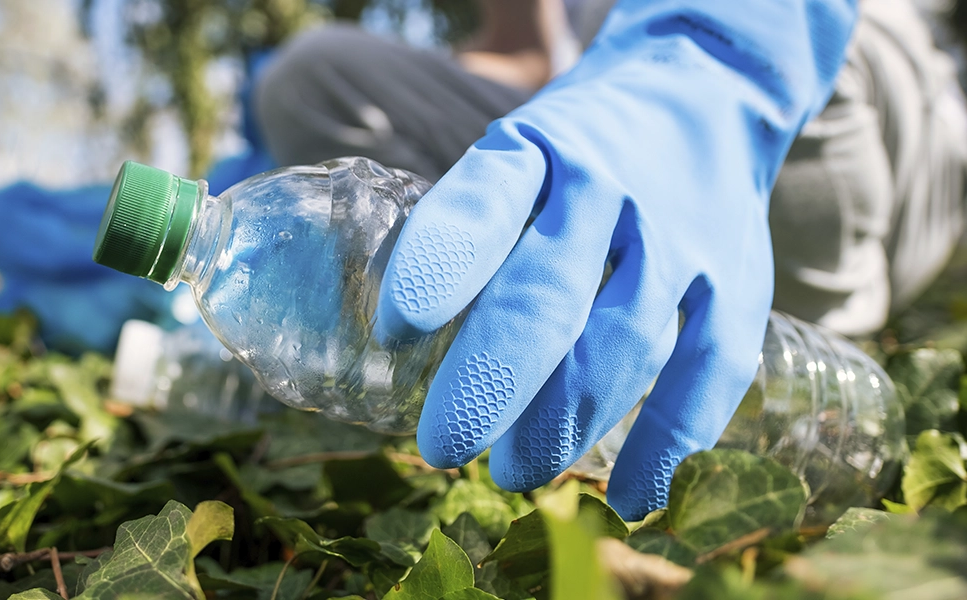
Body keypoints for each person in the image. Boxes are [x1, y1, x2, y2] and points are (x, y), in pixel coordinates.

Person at [251, 0, 967, 519]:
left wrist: (712, 57)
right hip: (609, 90)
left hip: (839, 88)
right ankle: (573, 327)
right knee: (312, 76)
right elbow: (522, 47)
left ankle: (764, 294)